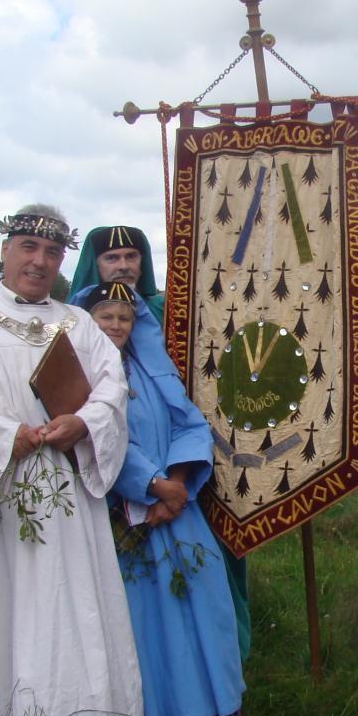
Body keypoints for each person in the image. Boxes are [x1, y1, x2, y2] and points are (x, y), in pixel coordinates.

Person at [0, 205, 146, 716]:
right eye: (28, 248)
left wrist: (83, 422)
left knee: (73, 602)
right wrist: (3, 433)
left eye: (52, 253)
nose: (39, 261)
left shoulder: (79, 323)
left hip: (67, 488)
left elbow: (112, 387)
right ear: (5, 251)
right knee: (7, 602)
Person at [69, 225, 252, 662]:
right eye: (112, 259)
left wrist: (178, 482)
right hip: (122, 490)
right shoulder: (75, 325)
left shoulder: (168, 313)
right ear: (95, 266)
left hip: (187, 472)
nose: (124, 266)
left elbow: (187, 401)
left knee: (204, 577)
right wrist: (154, 484)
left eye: (132, 257)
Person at [81, 281, 245, 716]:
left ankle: (217, 708)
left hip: (176, 506)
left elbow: (188, 422)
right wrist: (151, 485)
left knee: (205, 596)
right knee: (146, 615)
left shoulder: (151, 367)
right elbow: (101, 438)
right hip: (122, 509)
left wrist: (175, 485)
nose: (115, 326)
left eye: (124, 318)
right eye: (105, 317)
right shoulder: (83, 372)